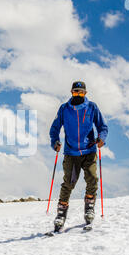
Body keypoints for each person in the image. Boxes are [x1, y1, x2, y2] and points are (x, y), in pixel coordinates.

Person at [49, 81, 108, 232]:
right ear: (71, 92)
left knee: (92, 178)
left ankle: (89, 209)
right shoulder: (64, 109)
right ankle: (61, 215)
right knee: (68, 183)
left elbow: (102, 126)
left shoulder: (92, 107)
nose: (78, 94)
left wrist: (101, 138)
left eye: (81, 92)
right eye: (75, 92)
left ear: (85, 93)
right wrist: (55, 141)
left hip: (89, 150)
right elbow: (55, 128)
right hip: (71, 152)